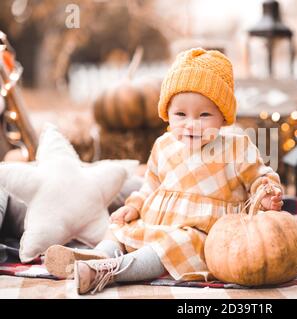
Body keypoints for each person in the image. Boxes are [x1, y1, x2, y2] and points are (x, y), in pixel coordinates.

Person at [44, 48, 283, 295]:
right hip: (158, 219)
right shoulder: (164, 145)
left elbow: (258, 176)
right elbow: (150, 184)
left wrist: (266, 194)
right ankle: (97, 255)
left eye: (204, 115)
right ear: (166, 113)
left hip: (203, 231)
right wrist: (134, 206)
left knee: (172, 245)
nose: (191, 124)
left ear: (222, 117)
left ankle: (111, 270)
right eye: (180, 114)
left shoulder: (236, 146)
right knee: (119, 228)